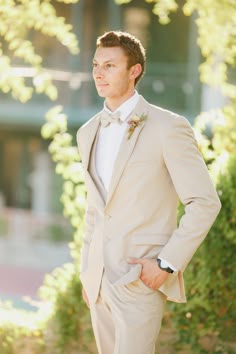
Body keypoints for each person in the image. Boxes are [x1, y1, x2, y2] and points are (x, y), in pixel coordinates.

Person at [76, 30, 221, 354]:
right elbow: (94, 210)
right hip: (98, 281)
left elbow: (205, 203)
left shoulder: (168, 127)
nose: (99, 73)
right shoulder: (87, 132)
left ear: (134, 70)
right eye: (96, 65)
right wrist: (88, 271)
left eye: (110, 65)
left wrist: (166, 264)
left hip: (139, 277)